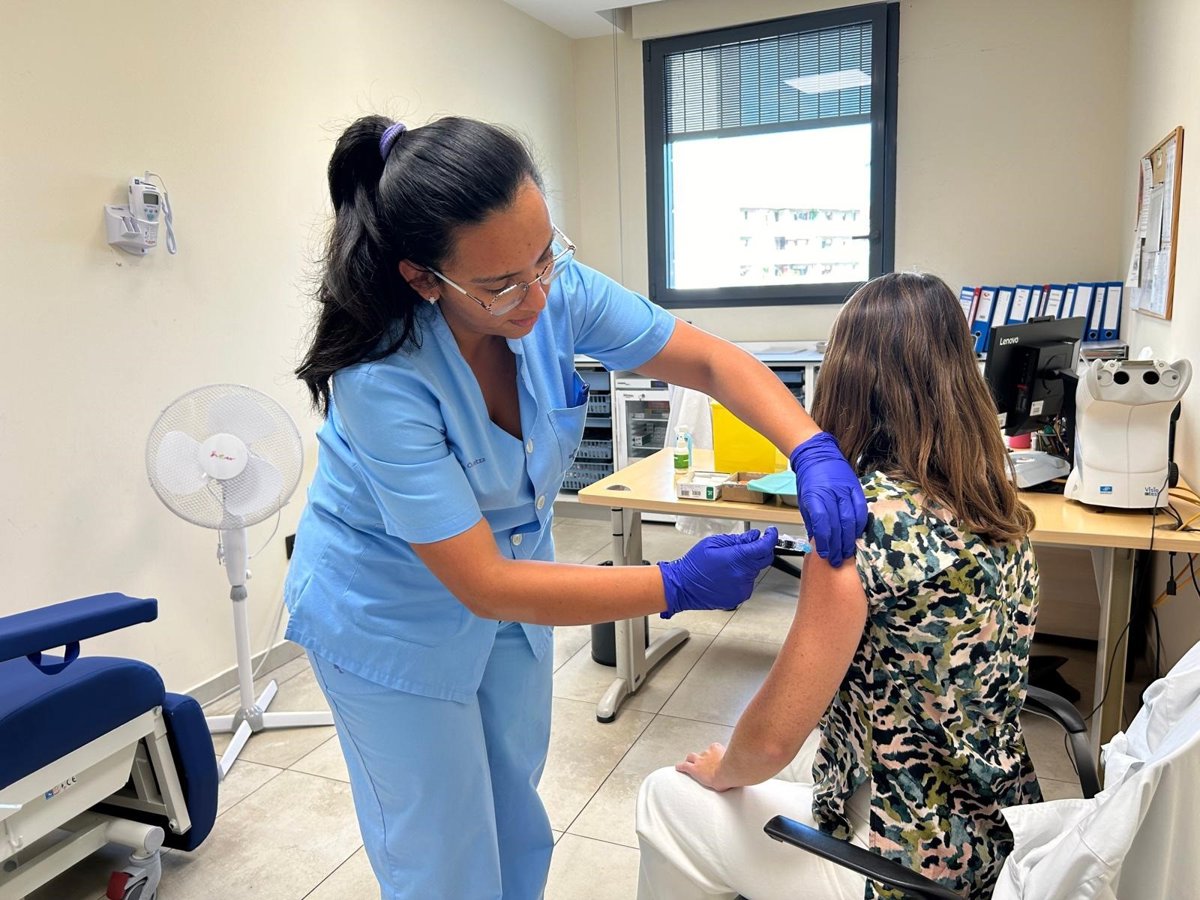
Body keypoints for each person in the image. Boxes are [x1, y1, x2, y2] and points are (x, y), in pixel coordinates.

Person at [284, 114, 868, 900]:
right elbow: (483, 582)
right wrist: (674, 584)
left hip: (511, 587)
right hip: (389, 612)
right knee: (441, 848)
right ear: (425, 279)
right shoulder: (382, 377)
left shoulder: (553, 287)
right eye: (503, 284)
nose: (538, 294)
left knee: (514, 812)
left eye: (545, 256)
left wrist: (809, 446)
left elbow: (707, 359)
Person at [636, 272, 1043, 900]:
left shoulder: (858, 532)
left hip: (901, 864)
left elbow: (769, 742)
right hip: (996, 836)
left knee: (668, 795)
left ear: (845, 380)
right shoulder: (1001, 508)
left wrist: (725, 769)